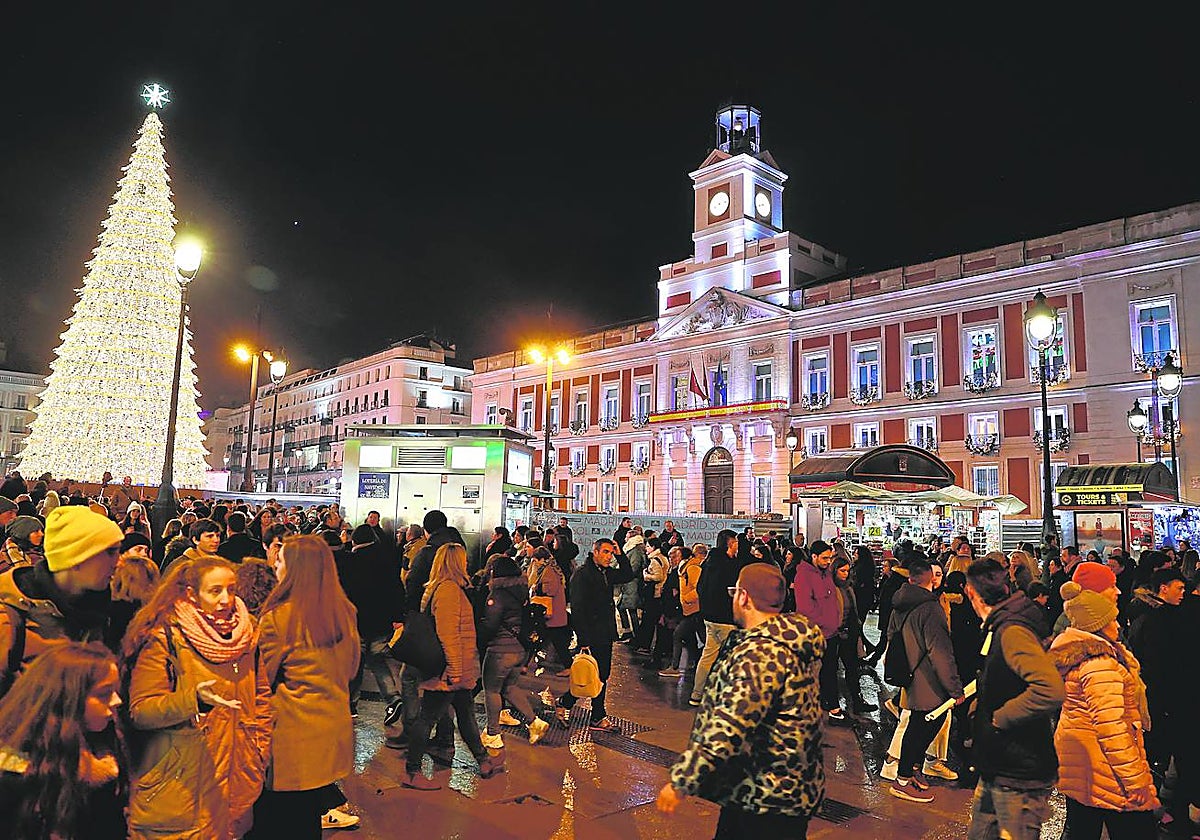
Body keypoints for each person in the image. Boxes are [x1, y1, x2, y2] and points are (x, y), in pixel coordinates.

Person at [657, 563, 825, 839]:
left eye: (734, 591)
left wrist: (682, 781)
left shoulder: (761, 653)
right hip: (785, 788)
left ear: (744, 597)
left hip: (764, 795)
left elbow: (730, 724)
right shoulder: (789, 642)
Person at [123, 555, 272, 839]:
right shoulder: (166, 635)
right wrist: (192, 700)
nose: (226, 599)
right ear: (192, 594)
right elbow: (141, 711)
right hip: (182, 780)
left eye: (231, 589)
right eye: (215, 591)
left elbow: (261, 695)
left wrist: (259, 748)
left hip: (238, 773)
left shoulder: (245, 634)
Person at [250, 535, 360, 838]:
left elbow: (261, 680)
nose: (275, 565)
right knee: (308, 819)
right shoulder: (343, 611)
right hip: (330, 732)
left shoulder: (279, 617)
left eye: (281, 560)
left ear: (297, 569)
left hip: (291, 738)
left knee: (277, 822)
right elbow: (351, 669)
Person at [964, 558, 1064, 840]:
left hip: (1019, 770)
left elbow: (1050, 689)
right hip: (999, 763)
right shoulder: (1002, 624)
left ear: (971, 592)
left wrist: (1000, 718)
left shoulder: (1012, 632)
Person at [1049, 581, 1158, 840]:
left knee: (1082, 829)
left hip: (1082, 764)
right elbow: (1112, 730)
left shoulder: (1079, 657)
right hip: (1107, 771)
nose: (1118, 625)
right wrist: (1135, 781)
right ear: (1097, 626)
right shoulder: (1100, 666)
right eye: (1112, 620)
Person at [0, 641, 126, 840]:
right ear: (67, 698)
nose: (117, 700)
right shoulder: (14, 766)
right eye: (104, 693)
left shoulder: (103, 744)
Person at [403, 543, 501, 789]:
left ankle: (483, 759)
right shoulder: (448, 591)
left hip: (456, 667)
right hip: (449, 669)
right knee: (428, 717)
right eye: (463, 559)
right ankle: (412, 771)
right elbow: (448, 635)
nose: (466, 563)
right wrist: (455, 670)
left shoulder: (442, 588)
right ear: (456, 562)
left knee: (466, 713)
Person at [0, 506, 123, 689]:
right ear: (77, 556)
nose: (119, 562)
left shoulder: (104, 611)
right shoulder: (9, 615)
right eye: (110, 552)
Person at [886, 556, 965, 802]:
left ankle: (912, 771)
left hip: (909, 673)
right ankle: (902, 780)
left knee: (917, 725)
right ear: (931, 579)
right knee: (922, 727)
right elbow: (940, 653)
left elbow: (891, 635)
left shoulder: (900, 603)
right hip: (929, 679)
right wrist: (955, 689)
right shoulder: (931, 608)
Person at [554, 538, 633, 731]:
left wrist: (621, 554)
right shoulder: (582, 575)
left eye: (611, 553)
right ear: (595, 552)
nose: (609, 556)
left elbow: (628, 574)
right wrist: (583, 639)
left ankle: (569, 704)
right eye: (605, 552)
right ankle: (595, 714)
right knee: (590, 674)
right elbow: (578, 609)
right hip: (591, 633)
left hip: (605, 632)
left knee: (601, 675)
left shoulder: (606, 572)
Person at [337, 525, 404, 726]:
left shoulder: (351, 561)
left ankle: (351, 705)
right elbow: (397, 590)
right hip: (381, 623)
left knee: (355, 663)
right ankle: (393, 698)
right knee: (377, 660)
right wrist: (397, 616)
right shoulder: (386, 561)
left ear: (355, 541)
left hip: (357, 621)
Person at [479, 555, 547, 746]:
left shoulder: (497, 595)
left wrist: (478, 632)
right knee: (509, 688)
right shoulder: (521, 592)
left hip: (500, 650)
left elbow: (491, 625)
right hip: (519, 649)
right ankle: (534, 722)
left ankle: (493, 734)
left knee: (491, 690)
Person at [794, 540, 849, 722]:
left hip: (831, 633)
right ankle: (831, 709)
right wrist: (826, 623)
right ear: (814, 556)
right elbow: (806, 609)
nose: (828, 561)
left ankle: (828, 704)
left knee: (829, 671)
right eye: (825, 558)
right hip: (816, 634)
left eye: (830, 558)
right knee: (818, 673)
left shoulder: (826, 574)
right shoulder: (804, 576)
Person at [690, 530, 745, 707]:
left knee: (708, 656)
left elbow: (700, 588)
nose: (738, 546)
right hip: (726, 619)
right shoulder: (728, 566)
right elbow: (731, 590)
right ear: (730, 544)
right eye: (736, 542)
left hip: (709, 618)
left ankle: (697, 694)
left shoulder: (709, 562)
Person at [661, 544, 704, 678]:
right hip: (689, 610)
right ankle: (697, 664)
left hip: (694, 610)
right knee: (695, 638)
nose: (675, 557)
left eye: (678, 555)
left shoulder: (692, 568)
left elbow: (699, 588)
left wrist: (685, 598)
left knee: (678, 635)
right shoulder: (684, 569)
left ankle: (675, 667)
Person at [527, 545, 571, 673]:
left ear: (541, 559)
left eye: (535, 560)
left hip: (552, 612)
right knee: (550, 639)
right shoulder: (552, 569)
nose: (535, 563)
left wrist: (537, 588)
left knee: (556, 641)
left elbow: (550, 590)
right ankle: (529, 662)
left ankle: (569, 666)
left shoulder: (548, 571)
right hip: (555, 611)